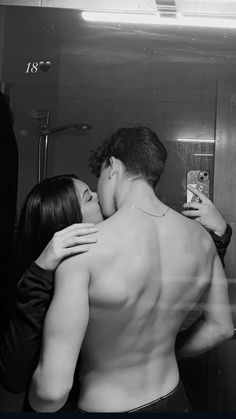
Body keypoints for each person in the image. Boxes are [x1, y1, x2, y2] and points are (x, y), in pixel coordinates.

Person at [27, 127, 233, 413]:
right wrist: (162, 352)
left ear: (112, 166)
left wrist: (31, 401)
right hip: (175, 400)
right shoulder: (201, 239)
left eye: (98, 176)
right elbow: (221, 326)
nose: (98, 191)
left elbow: (51, 393)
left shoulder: (84, 253)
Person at [0, 174, 101, 396]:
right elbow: (14, 378)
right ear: (71, 225)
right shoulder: (35, 283)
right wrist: (40, 271)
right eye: (89, 197)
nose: (98, 195)